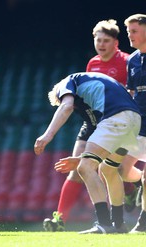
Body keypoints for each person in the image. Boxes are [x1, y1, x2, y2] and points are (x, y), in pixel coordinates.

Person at [43, 19, 137, 232]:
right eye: (98, 40)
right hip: (93, 121)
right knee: (79, 169)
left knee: (112, 168)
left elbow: (130, 92)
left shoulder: (127, 61)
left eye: (106, 40)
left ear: (116, 43)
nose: (101, 45)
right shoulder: (92, 64)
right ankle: (59, 219)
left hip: (116, 119)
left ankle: (128, 194)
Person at [35, 72, 141, 234]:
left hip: (116, 118)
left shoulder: (67, 82)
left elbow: (67, 106)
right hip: (134, 120)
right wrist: (80, 158)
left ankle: (104, 224)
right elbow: (103, 147)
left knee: (85, 168)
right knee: (108, 169)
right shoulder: (96, 84)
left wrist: (47, 135)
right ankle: (118, 224)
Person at [124, 13, 146, 233]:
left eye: (134, 31)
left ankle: (143, 221)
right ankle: (139, 183)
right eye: (129, 31)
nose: (130, 35)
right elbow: (130, 91)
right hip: (137, 122)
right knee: (122, 169)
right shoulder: (131, 59)